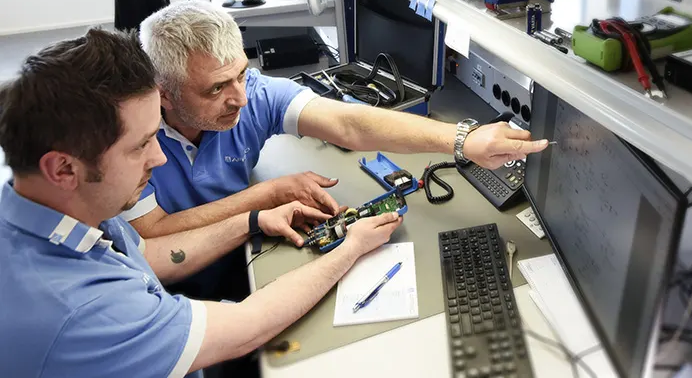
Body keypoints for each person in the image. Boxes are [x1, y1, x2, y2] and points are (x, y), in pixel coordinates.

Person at [0, 29, 402, 378]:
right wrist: (350, 247)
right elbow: (248, 327)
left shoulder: (54, 207)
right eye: (140, 145)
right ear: (63, 168)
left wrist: (252, 221)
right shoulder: (83, 311)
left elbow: (150, 256)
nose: (159, 158)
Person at [124, 0, 550, 247]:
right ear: (164, 93)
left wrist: (463, 138)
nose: (241, 98)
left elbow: (349, 124)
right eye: (216, 89)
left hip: (238, 246)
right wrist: (266, 195)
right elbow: (151, 234)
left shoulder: (252, 93)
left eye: (241, 74)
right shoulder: (128, 138)